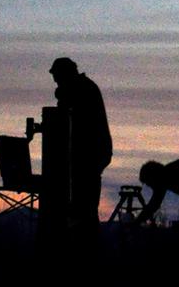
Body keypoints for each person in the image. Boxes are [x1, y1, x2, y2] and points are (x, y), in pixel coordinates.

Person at [50, 57, 112, 238]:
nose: (55, 81)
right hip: (90, 153)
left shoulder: (82, 88)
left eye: (57, 76)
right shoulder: (83, 86)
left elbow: (64, 102)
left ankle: (83, 243)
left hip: (90, 154)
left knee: (83, 205)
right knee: (83, 204)